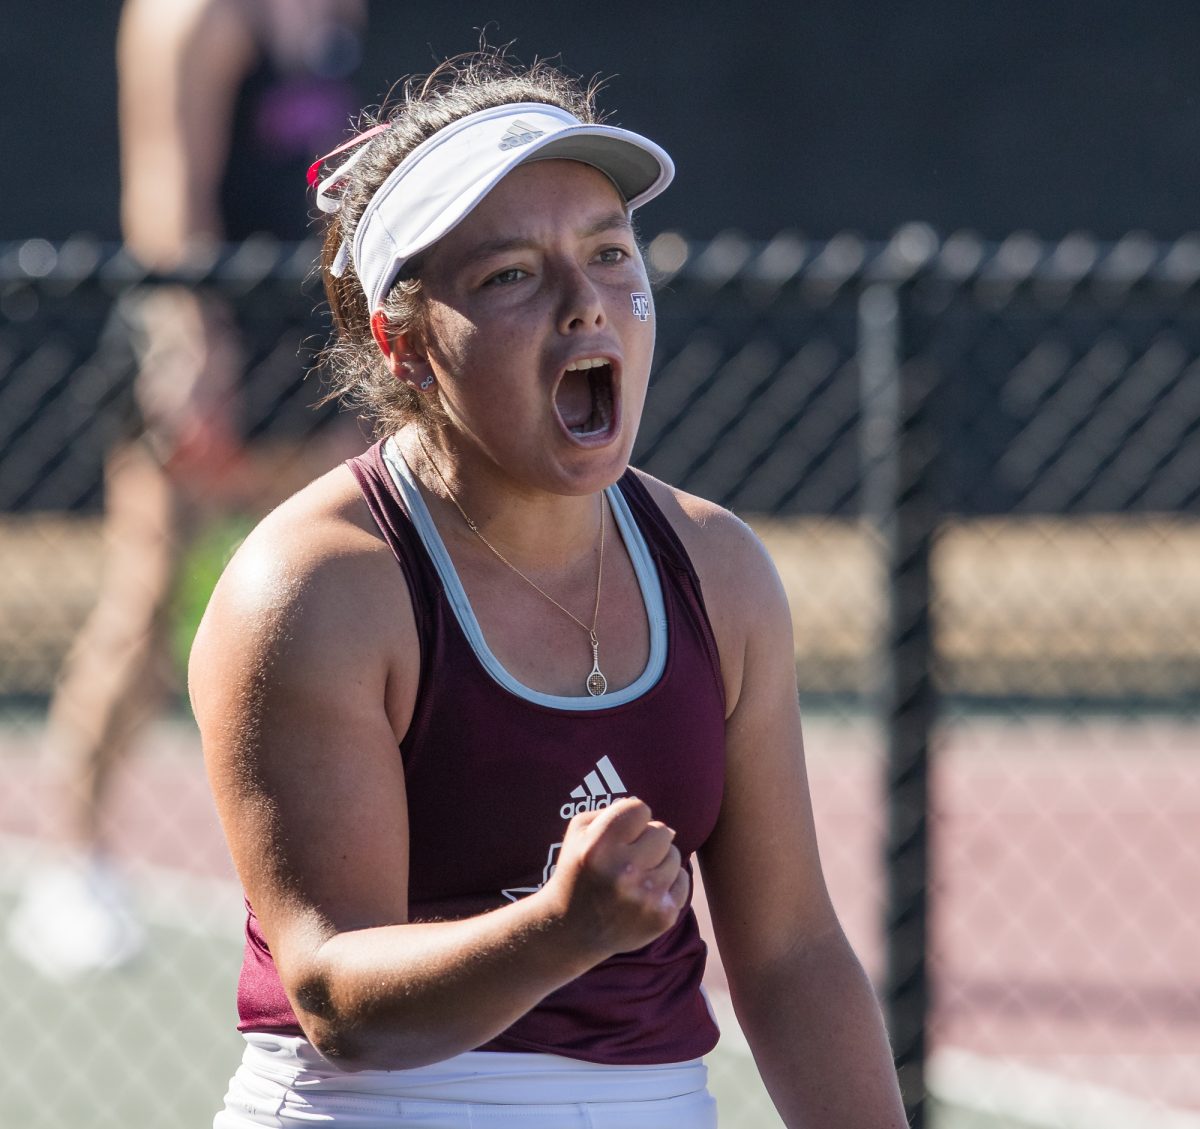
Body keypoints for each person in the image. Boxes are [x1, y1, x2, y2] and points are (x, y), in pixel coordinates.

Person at [189, 50, 908, 1128]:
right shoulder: (318, 586)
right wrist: (559, 929)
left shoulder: (719, 570)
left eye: (612, 255)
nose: (589, 305)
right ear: (404, 343)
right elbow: (336, 993)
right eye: (513, 274)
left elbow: (795, 951)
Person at [6, 0, 365, 977]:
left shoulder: (326, 14)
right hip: (202, 341)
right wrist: (188, 350)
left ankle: (327, 866)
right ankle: (70, 869)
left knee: (338, 597)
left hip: (302, 342)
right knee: (147, 604)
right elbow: (169, 194)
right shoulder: (190, 17)